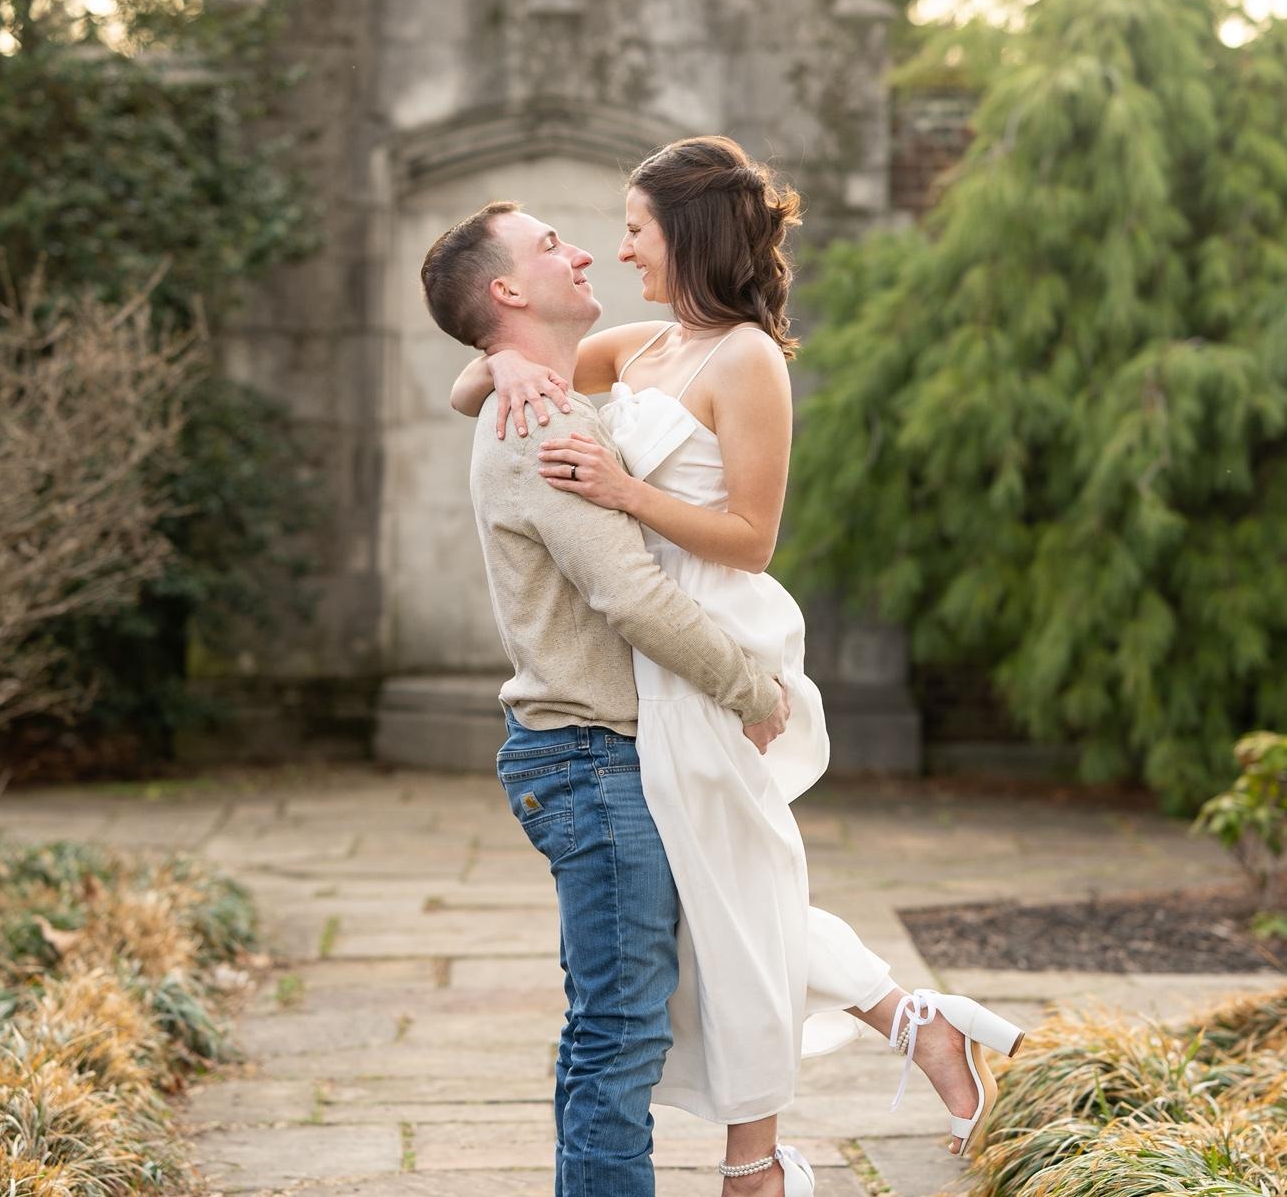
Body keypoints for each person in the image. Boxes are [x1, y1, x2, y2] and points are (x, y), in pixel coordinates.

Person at [448, 138, 1026, 1196]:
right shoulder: (642, 345)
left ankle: (756, 1162)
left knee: (735, 898)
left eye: (635, 229)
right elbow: (469, 376)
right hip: (656, 650)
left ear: (688, 232)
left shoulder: (747, 359)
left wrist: (625, 494)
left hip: (711, 637)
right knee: (729, 901)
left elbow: (752, 539)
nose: (621, 248)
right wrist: (510, 363)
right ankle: (910, 1024)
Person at [421, 199, 797, 1197]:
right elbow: (628, 592)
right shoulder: (545, 420)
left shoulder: (552, 393)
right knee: (619, 1032)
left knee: (632, 1011)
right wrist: (750, 688)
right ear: (509, 289)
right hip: (591, 756)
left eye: (628, 227)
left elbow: (476, 364)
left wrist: (502, 362)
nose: (592, 249)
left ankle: (893, 1035)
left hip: (604, 750)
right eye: (553, 244)